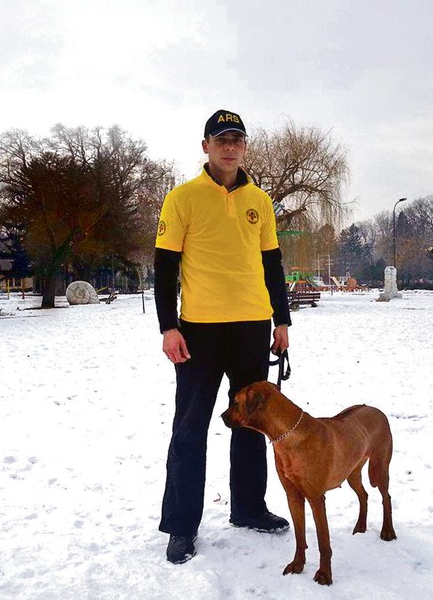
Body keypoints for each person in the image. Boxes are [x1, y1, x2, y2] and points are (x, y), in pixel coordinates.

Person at [154, 109, 292, 564]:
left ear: (244, 147)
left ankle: (249, 507)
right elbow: (165, 267)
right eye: (221, 139)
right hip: (199, 332)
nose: (229, 146)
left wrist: (281, 321)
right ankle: (181, 525)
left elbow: (272, 264)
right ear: (206, 146)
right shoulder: (182, 198)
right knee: (190, 428)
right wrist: (167, 326)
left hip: (252, 327)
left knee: (252, 422)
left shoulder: (261, 200)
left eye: (237, 139)